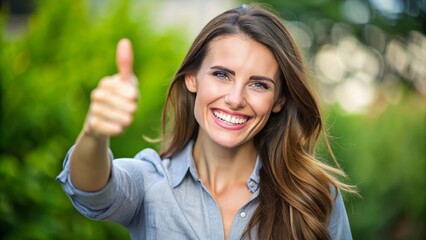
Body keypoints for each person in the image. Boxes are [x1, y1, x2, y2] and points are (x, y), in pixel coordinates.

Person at [57, 4, 355, 240]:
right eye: (222, 75)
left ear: (278, 100)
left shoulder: (314, 195)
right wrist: (95, 131)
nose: (235, 98)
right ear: (192, 78)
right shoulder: (151, 183)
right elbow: (91, 190)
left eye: (259, 84)